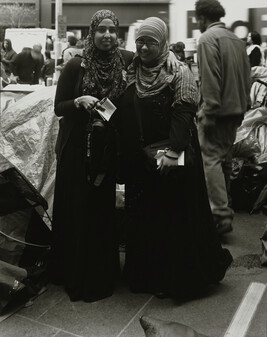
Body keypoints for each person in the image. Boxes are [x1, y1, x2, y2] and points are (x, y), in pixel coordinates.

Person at [118, 17, 232, 299]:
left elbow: (184, 114)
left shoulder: (178, 71)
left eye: (151, 42)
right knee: (146, 217)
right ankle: (146, 275)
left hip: (171, 155)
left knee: (171, 215)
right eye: (140, 41)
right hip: (140, 160)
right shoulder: (132, 69)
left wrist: (173, 152)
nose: (144, 47)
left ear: (163, 43)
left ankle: (173, 279)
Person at [50, 9, 135, 302]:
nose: (107, 35)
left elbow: (155, 57)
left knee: (100, 210)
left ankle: (101, 273)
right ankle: (73, 271)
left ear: (118, 33)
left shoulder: (125, 61)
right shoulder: (77, 66)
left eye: (112, 30)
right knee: (77, 207)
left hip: (106, 150)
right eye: (102, 30)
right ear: (92, 32)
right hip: (76, 150)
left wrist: (174, 58)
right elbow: (58, 107)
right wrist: (78, 100)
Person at [195, 0, 251, 234]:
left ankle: (219, 215)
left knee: (210, 161)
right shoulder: (236, 40)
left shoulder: (208, 39)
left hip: (217, 112)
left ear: (201, 18)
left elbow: (210, 77)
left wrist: (208, 110)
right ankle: (225, 207)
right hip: (236, 110)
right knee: (224, 161)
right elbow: (246, 75)